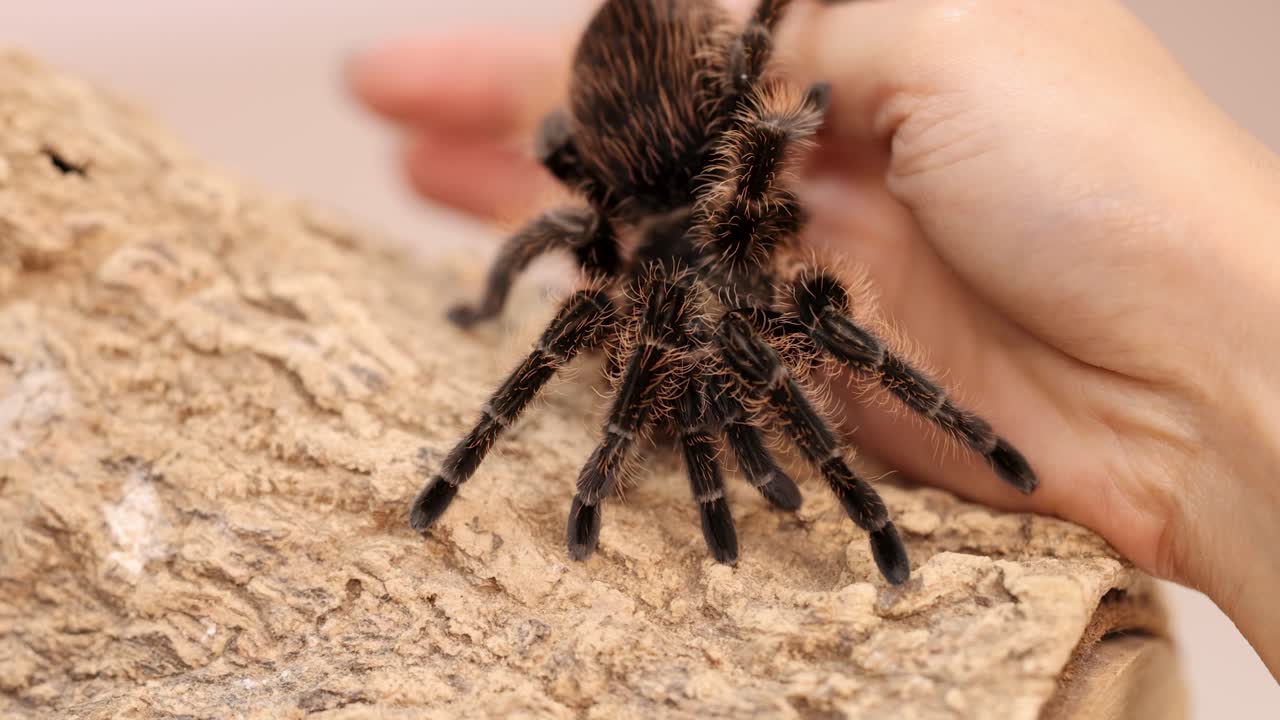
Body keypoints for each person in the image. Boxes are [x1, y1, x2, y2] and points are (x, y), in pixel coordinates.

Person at [348, 0, 1280, 678]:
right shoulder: (609, 263)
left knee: (820, 326)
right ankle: (459, 473)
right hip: (649, 177)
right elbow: (559, 229)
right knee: (588, 312)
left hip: (677, 161)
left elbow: (773, 123)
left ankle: (869, 499)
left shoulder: (754, 220)